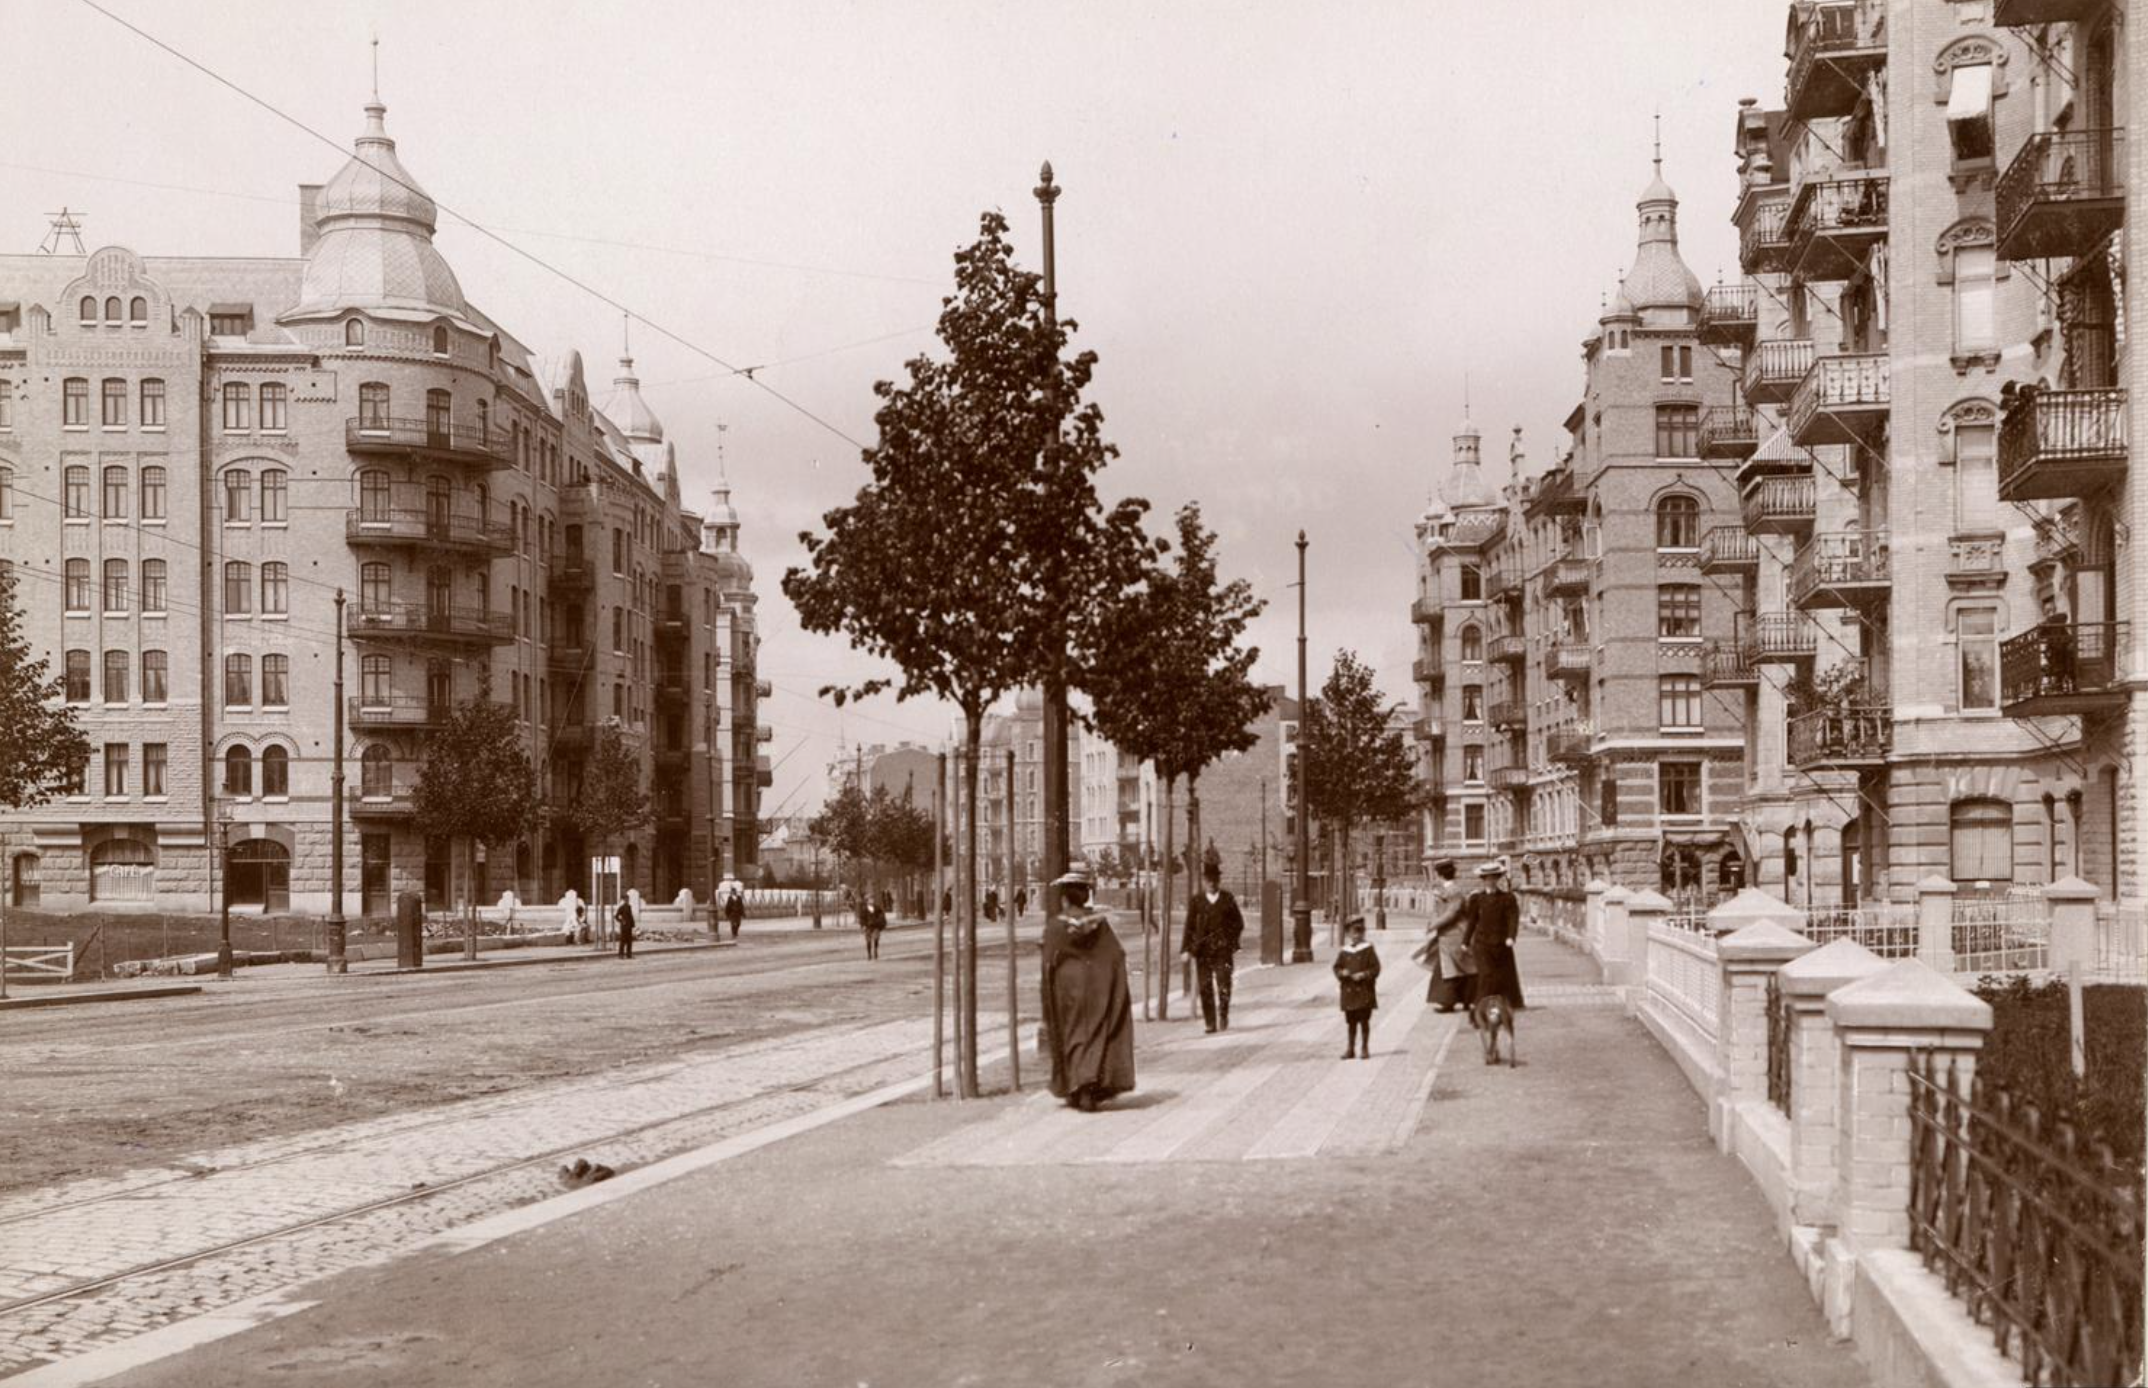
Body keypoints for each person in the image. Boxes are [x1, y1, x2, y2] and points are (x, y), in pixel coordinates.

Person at [1040, 861, 1135, 1112]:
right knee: (1094, 1034)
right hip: (1097, 988)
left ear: (1064, 898)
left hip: (1066, 989)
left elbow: (1048, 961)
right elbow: (1116, 954)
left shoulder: (1055, 926)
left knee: (1071, 1036)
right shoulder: (1099, 923)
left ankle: (1075, 1085)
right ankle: (1089, 1085)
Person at [1181, 860, 1246, 1033]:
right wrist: (1186, 949)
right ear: (1204, 881)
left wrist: (1231, 943)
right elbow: (1189, 926)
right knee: (1205, 986)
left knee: (1224, 983)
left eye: (1215, 879)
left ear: (1219, 880)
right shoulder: (1197, 901)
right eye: (1209, 879)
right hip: (1202, 952)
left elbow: (1238, 923)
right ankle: (1210, 1022)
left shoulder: (1227, 899)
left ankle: (1223, 1013)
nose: (1212, 883)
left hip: (1222, 951)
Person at [1464, 859, 1525, 1012]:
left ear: (1498, 879)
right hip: (1482, 942)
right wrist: (1465, 941)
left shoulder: (1507, 898)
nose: (1491, 881)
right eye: (1488, 878)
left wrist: (1511, 936)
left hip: (1502, 942)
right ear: (1483, 880)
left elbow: (1513, 918)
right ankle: (1481, 1003)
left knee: (1504, 974)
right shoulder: (1476, 899)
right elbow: (1471, 921)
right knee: (1486, 973)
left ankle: (1509, 1001)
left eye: (1494, 878)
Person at [1417, 859, 1474, 1012]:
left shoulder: (1453, 891)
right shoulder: (1447, 890)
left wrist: (1434, 925)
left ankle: (1451, 1001)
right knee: (1457, 967)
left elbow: (1451, 913)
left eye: (1435, 873)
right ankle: (1463, 1000)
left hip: (1456, 933)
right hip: (1448, 935)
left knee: (1456, 968)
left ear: (1440, 874)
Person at [1334, 917, 1381, 1059]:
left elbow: (1376, 968)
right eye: (1353, 932)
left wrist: (1364, 974)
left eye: (1360, 932)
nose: (1356, 936)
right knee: (1351, 1022)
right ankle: (1350, 1048)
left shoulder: (1368, 949)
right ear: (1348, 934)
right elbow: (1337, 967)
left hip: (1364, 990)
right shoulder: (1344, 951)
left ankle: (1365, 1048)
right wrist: (1342, 973)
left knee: (1364, 1020)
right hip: (1349, 991)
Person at [861, 896, 886, 960]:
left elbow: (881, 916)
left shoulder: (877, 908)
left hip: (876, 926)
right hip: (868, 927)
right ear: (867, 901)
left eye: (872, 899)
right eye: (870, 900)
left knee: (876, 938)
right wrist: (863, 925)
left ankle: (875, 950)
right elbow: (862, 918)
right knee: (868, 941)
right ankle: (869, 954)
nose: (871, 901)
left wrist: (879, 923)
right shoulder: (864, 909)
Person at [613, 895, 636, 960]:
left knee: (629, 941)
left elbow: (631, 917)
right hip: (624, 927)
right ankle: (621, 954)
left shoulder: (629, 907)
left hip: (629, 927)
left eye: (628, 899)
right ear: (623, 900)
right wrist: (622, 921)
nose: (627, 900)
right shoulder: (621, 907)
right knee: (623, 941)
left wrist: (633, 925)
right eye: (626, 899)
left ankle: (629, 954)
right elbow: (616, 916)